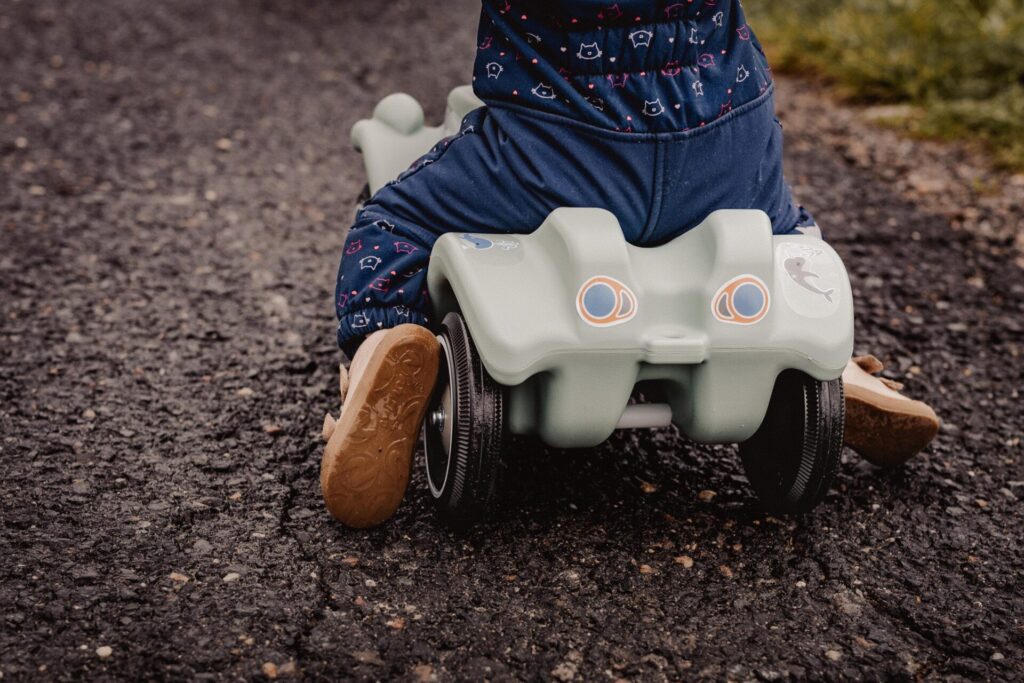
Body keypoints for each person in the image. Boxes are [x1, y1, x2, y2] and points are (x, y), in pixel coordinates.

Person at [320, 0, 940, 528]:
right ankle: (833, 365)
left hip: (556, 154)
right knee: (790, 229)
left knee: (392, 222)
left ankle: (387, 344)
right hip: (723, 152)